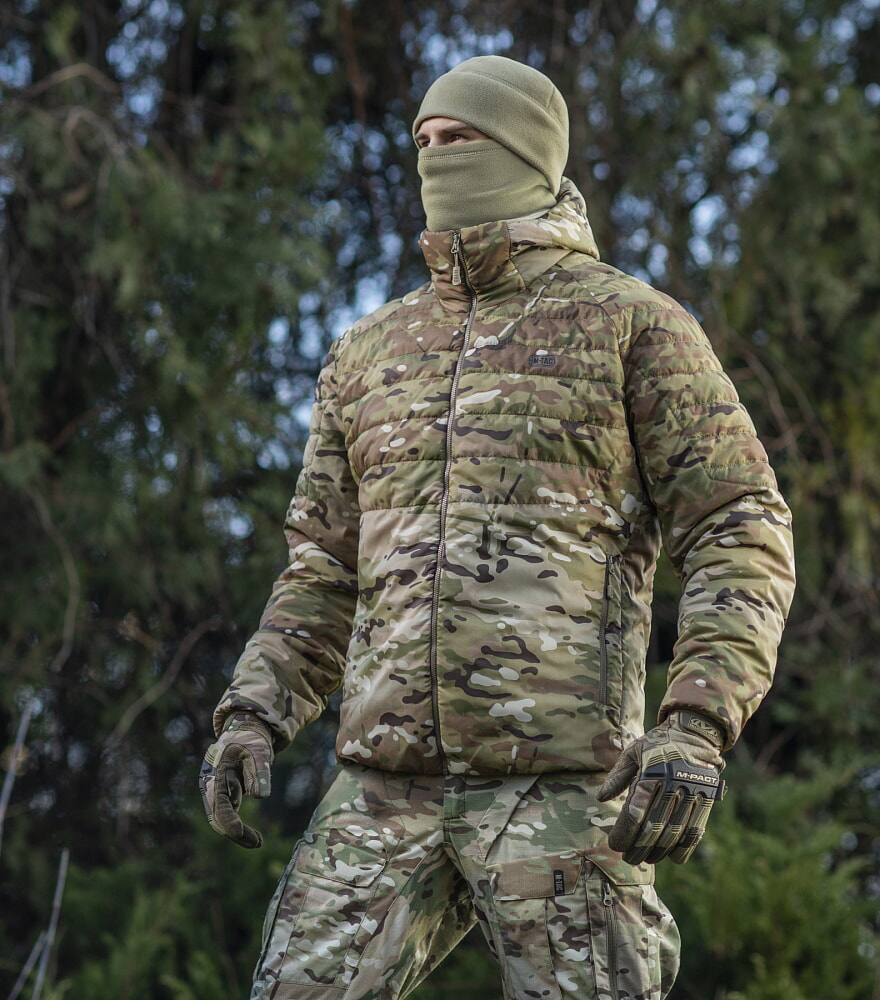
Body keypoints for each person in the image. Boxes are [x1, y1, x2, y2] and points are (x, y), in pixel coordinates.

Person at [200, 55, 795, 1000]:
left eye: (461, 136)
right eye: (424, 140)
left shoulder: (632, 326)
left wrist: (695, 726)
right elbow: (324, 569)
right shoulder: (368, 353)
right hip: (384, 787)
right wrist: (254, 710)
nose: (436, 156)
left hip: (562, 789)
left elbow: (739, 526)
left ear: (524, 149)